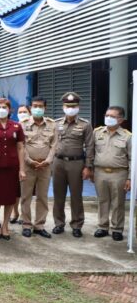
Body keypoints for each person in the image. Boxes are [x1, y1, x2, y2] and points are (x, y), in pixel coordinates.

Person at [0, 98, 26, 240]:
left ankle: (6, 225)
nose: (1, 109)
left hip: (11, 168)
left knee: (10, 198)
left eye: (4, 107)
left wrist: (22, 168)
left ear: (10, 110)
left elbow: (20, 148)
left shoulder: (16, 126)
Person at [52, 92, 94, 238]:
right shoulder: (56, 123)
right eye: (68, 106)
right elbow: (51, 143)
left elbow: (89, 146)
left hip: (76, 163)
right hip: (58, 162)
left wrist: (88, 167)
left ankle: (76, 225)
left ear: (78, 107)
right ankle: (59, 223)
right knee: (58, 195)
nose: (70, 108)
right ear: (63, 106)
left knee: (76, 196)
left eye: (73, 106)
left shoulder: (85, 124)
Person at [19, 96, 56, 238]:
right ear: (31, 107)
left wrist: (48, 160)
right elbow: (21, 145)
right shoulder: (23, 124)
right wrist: (28, 160)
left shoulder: (52, 125)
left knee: (42, 197)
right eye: (35, 106)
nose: (37, 108)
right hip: (28, 166)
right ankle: (26, 225)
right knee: (26, 196)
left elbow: (54, 145)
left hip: (45, 166)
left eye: (40, 106)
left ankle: (39, 225)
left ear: (45, 108)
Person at [93, 106, 132, 241]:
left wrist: (130, 178)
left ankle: (117, 229)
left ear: (120, 120)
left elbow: (132, 158)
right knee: (102, 201)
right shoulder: (97, 133)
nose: (108, 118)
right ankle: (102, 227)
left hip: (119, 173)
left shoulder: (127, 136)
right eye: (107, 115)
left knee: (118, 203)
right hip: (100, 172)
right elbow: (91, 153)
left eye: (112, 116)